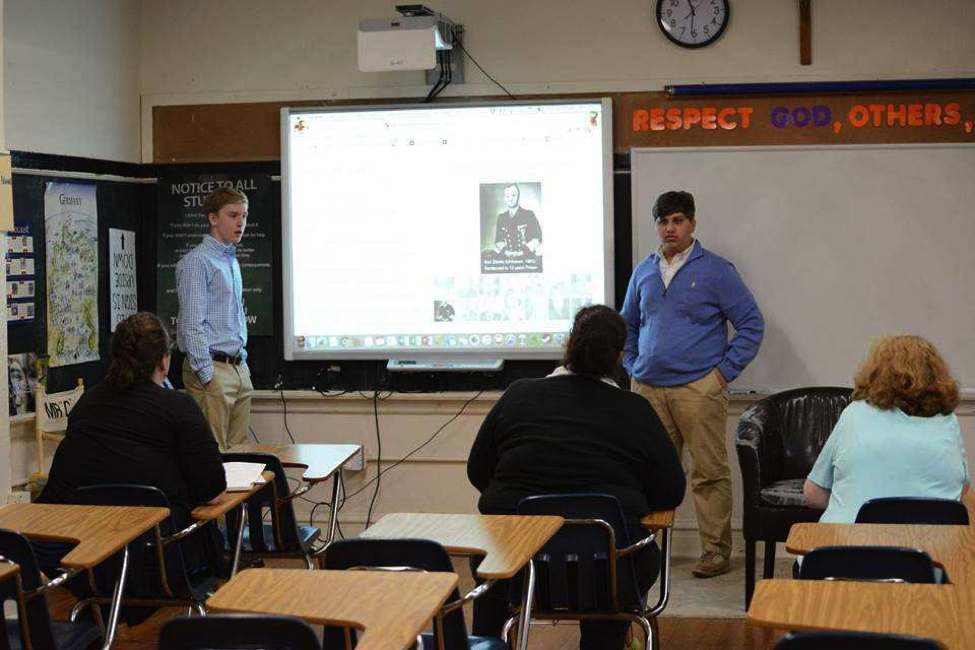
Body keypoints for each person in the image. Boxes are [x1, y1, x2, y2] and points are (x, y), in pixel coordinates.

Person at [467, 305, 685, 649]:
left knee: (490, 561)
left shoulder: (518, 395)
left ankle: (485, 643)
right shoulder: (635, 410)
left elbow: (478, 471)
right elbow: (671, 491)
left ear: (569, 343)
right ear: (620, 356)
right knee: (617, 564)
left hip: (518, 568)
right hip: (610, 572)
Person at [620, 190, 764, 578]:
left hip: (698, 390)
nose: (670, 228)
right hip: (647, 390)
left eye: (678, 220)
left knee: (709, 472)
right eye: (664, 221)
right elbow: (627, 326)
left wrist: (721, 374)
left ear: (692, 224)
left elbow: (751, 325)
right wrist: (633, 364)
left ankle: (716, 551)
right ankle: (644, 553)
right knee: (648, 474)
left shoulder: (716, 270)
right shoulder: (643, 270)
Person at [37, 312, 227, 569]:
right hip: (163, 560)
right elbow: (214, 492)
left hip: (88, 562)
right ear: (164, 361)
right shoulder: (179, 407)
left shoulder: (87, 403)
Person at [804, 335, 970, 522]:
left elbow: (813, 495)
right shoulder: (948, 422)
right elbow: (960, 489)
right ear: (937, 376)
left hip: (849, 547)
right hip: (932, 548)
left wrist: (851, 503)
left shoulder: (854, 414)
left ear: (876, 373)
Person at [177, 186, 253, 451]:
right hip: (212, 367)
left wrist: (241, 365)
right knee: (212, 455)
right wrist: (208, 375)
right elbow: (191, 324)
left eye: (243, 215)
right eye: (233, 215)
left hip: (237, 365)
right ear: (213, 219)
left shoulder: (231, 259)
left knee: (240, 455)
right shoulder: (198, 261)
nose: (240, 223)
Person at [494, 183, 541, 256]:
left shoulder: (529, 214)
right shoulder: (501, 218)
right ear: (504, 198)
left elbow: (537, 238)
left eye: (513, 195)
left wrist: (522, 252)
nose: (511, 199)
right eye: (508, 196)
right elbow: (498, 241)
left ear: (518, 196)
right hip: (507, 257)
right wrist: (507, 253)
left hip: (526, 257)